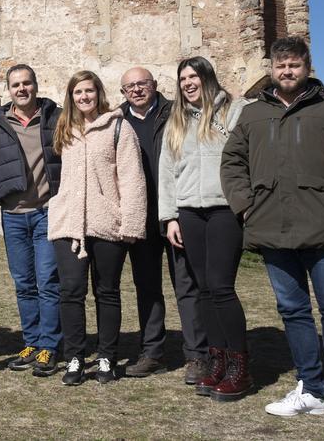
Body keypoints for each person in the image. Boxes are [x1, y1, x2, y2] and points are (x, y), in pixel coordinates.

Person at [221, 37, 324, 435]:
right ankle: (311, 389)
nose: (286, 71)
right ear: (271, 68)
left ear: (307, 66)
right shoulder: (254, 114)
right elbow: (232, 163)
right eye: (280, 65)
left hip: (323, 228)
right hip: (272, 228)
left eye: (294, 65)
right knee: (292, 312)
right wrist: (246, 206)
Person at [157, 57, 250, 400]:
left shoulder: (233, 112)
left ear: (207, 77)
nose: (187, 83)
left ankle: (239, 366)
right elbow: (167, 171)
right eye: (183, 79)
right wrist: (169, 217)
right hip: (189, 214)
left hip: (224, 210)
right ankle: (217, 361)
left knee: (222, 287)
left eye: (193, 76)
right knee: (203, 290)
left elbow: (246, 154)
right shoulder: (177, 122)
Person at [48, 71, 147, 385]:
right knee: (71, 292)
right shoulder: (66, 129)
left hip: (107, 224)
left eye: (88, 91)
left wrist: (131, 222)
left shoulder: (119, 127)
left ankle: (107, 357)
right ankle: (75, 358)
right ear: (71, 97)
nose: (83, 97)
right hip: (69, 225)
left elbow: (132, 179)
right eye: (77, 92)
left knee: (107, 292)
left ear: (98, 93)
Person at [119, 66, 207, 383]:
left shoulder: (177, 113)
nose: (137, 90)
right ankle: (152, 352)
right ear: (123, 92)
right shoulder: (118, 120)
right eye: (130, 86)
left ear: (155, 86)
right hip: (140, 217)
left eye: (143, 84)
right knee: (147, 287)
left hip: (177, 212)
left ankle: (197, 355)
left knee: (186, 285)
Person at [0, 64, 63, 376]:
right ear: (8, 90)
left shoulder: (54, 117)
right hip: (13, 215)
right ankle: (31, 342)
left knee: (47, 281)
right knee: (23, 284)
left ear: (35, 85)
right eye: (15, 85)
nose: (22, 89)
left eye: (26, 83)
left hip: (47, 212)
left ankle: (50, 345)